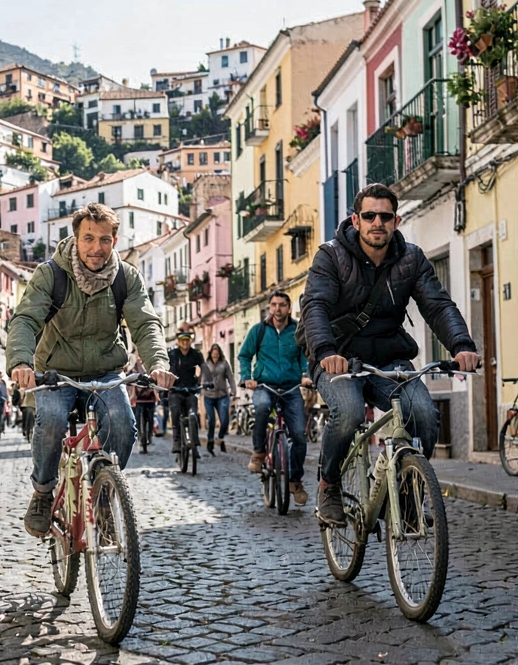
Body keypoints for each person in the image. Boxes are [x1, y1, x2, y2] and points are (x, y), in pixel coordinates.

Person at [301, 184, 481, 527]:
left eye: (385, 216)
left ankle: (404, 488)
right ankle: (329, 484)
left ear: (396, 220)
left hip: (387, 357)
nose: (377, 222)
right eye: (369, 216)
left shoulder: (411, 258)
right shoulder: (331, 255)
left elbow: (438, 306)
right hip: (337, 357)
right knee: (350, 411)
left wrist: (461, 345)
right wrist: (325, 351)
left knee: (424, 414)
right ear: (356, 220)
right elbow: (315, 306)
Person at [8, 203, 174, 538]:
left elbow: (145, 324)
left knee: (124, 426)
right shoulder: (51, 274)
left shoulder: (125, 277)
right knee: (52, 421)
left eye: (104, 240)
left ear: (114, 241)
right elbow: (25, 319)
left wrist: (158, 363)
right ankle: (42, 493)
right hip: (56, 372)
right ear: (76, 238)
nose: (96, 248)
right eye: (88, 238)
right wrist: (21, 362)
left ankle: (104, 492)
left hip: (106, 372)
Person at [238, 291, 312, 505]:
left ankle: (295, 481)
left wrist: (306, 376)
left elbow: (305, 356)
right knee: (261, 407)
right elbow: (244, 355)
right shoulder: (259, 331)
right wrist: (246, 378)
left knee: (299, 434)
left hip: (291, 387)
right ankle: (259, 453)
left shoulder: (298, 331)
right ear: (269, 308)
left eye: (281, 305)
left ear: (289, 308)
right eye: (273, 305)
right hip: (265, 385)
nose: (277, 309)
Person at [168, 331, 205, 454]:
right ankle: (177, 441)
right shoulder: (172, 354)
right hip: (175, 390)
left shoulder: (196, 354)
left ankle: (195, 442)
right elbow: (164, 368)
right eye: (182, 340)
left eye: (187, 340)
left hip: (191, 389)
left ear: (190, 341)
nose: (185, 343)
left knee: (193, 413)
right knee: (175, 412)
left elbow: (204, 368)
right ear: (178, 342)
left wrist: (204, 380)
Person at [201, 343, 235, 454]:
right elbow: (203, 379)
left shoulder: (224, 364)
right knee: (211, 419)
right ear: (210, 354)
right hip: (209, 396)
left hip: (222, 395)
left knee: (225, 420)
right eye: (213, 355)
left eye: (217, 354)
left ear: (219, 354)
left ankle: (220, 438)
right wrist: (204, 386)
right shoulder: (206, 365)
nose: (215, 356)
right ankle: (210, 439)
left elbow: (230, 377)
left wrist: (233, 391)